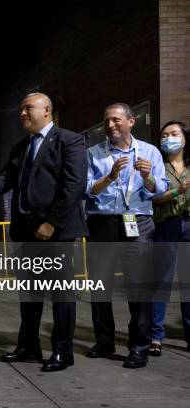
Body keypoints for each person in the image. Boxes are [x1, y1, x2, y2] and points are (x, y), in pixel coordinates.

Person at [0, 92, 88, 372]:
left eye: (28, 108)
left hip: (54, 232)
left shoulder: (69, 141)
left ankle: (62, 351)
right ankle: (28, 346)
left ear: (47, 110)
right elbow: (7, 179)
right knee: (29, 293)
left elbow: (73, 186)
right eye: (20, 108)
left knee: (60, 294)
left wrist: (52, 223)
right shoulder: (22, 146)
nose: (22, 113)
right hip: (24, 231)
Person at [84, 103, 167, 369]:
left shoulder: (150, 152)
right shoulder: (93, 153)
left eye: (116, 120)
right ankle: (104, 340)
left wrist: (147, 176)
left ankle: (139, 346)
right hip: (103, 222)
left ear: (131, 121)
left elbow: (159, 189)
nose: (110, 125)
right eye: (107, 120)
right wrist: (109, 177)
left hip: (138, 221)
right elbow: (87, 190)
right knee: (99, 286)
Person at [148, 120, 190, 355]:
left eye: (173, 134)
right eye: (164, 135)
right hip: (166, 225)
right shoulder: (158, 166)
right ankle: (156, 337)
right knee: (160, 285)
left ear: (185, 138)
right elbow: (151, 198)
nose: (168, 139)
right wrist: (177, 191)